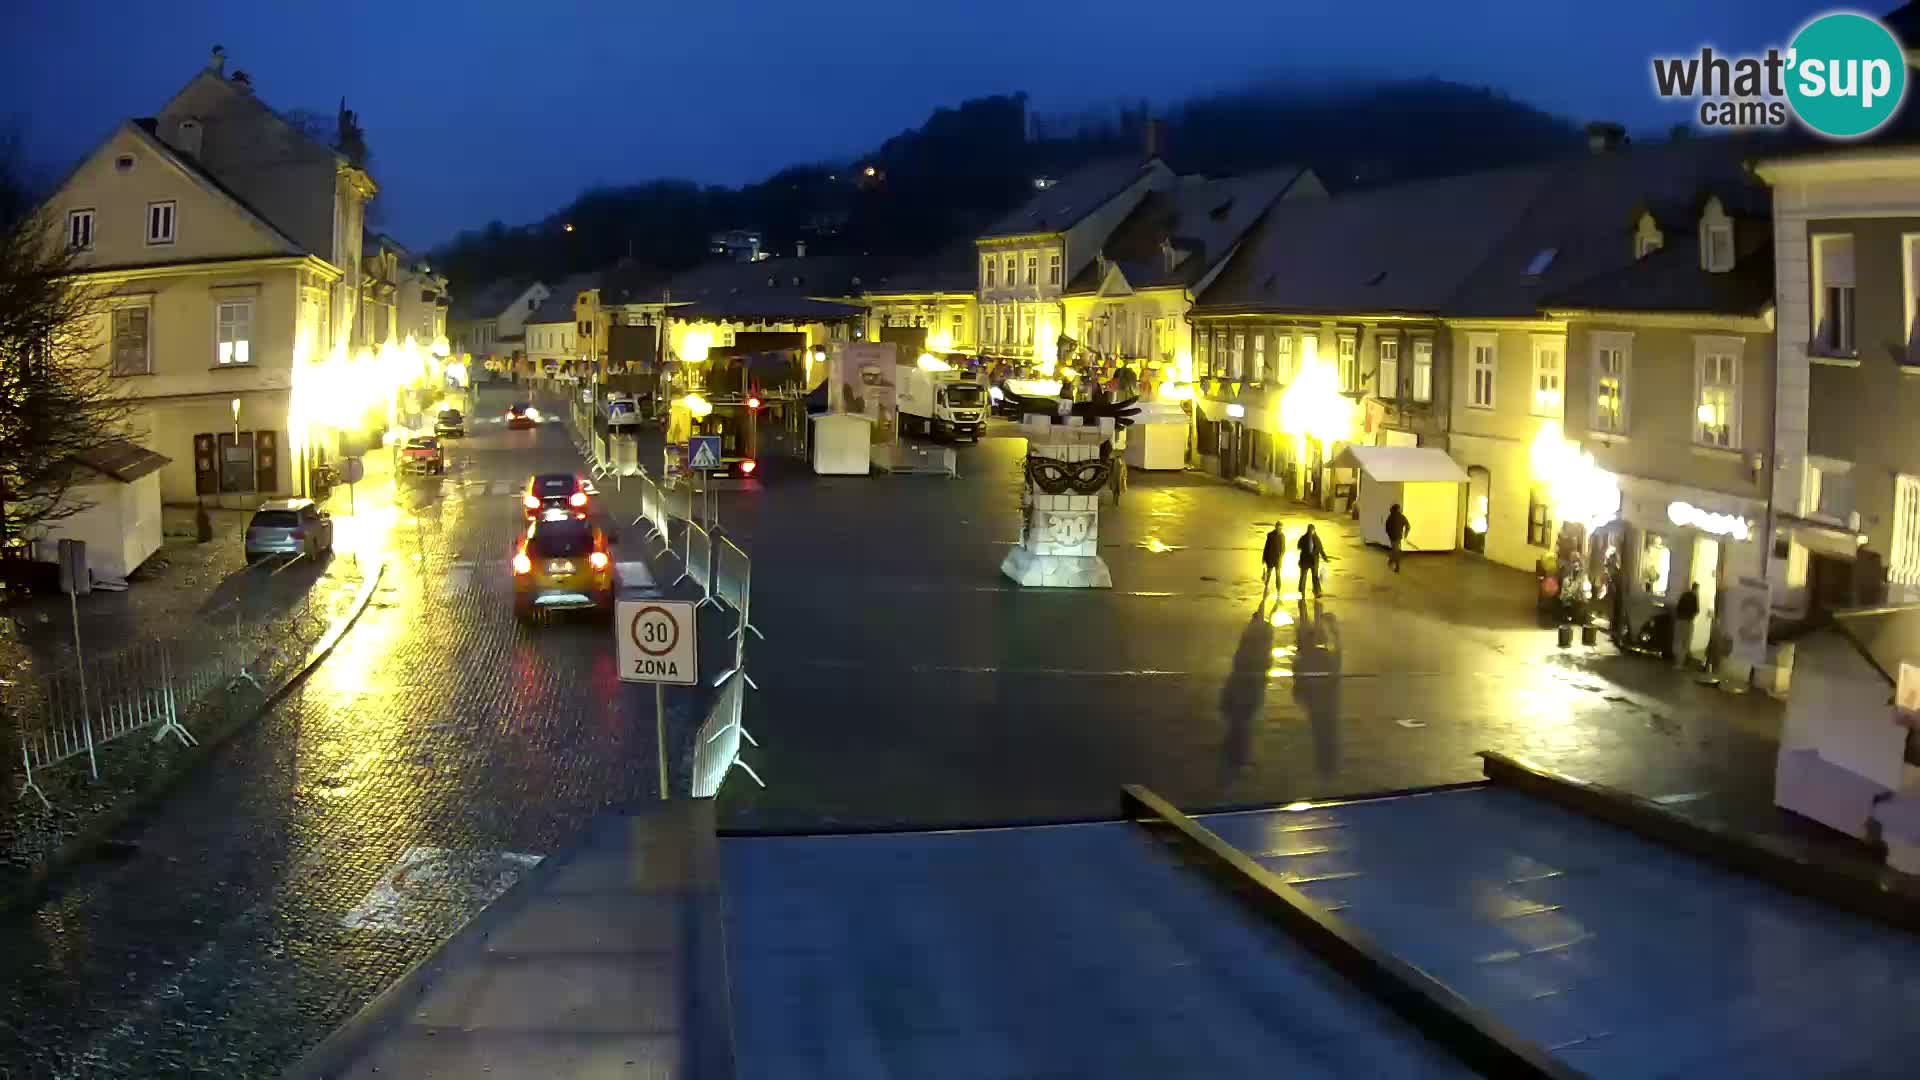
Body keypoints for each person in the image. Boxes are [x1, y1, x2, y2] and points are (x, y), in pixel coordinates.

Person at [1674, 583, 1701, 668]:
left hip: (1679, 620)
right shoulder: (1694, 597)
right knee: (1685, 643)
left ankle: (1676, 661)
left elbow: (1678, 607)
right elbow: (1696, 610)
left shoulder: (1684, 595)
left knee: (1678, 641)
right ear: (1696, 589)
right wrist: (1691, 616)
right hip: (1688, 622)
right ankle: (1680, 663)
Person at [1297, 524, 1327, 598]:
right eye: (1310, 530)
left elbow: (1320, 549)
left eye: (1312, 530)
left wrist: (1324, 557)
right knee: (1305, 577)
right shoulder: (1306, 538)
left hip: (1311, 561)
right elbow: (1299, 546)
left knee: (1313, 577)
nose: (1311, 531)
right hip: (1307, 561)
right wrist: (1324, 557)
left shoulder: (1312, 538)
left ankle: (1316, 591)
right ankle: (1303, 591)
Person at [1261, 521, 1285, 598]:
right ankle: (1266, 587)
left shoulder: (1282, 536)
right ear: (1276, 527)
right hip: (1270, 559)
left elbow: (1283, 549)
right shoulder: (1270, 535)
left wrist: (1280, 557)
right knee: (1268, 575)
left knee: (1278, 576)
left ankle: (1278, 591)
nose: (1279, 528)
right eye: (1278, 527)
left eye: (1280, 527)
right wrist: (1264, 558)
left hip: (1277, 560)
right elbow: (1266, 547)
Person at [1383, 503, 1410, 572]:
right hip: (1398, 536)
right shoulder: (1401, 516)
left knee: (1395, 550)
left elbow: (1387, 526)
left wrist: (1389, 534)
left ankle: (1396, 565)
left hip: (1392, 537)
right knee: (1395, 549)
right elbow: (1408, 526)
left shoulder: (1390, 516)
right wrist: (1405, 534)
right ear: (1398, 509)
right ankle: (1391, 560)